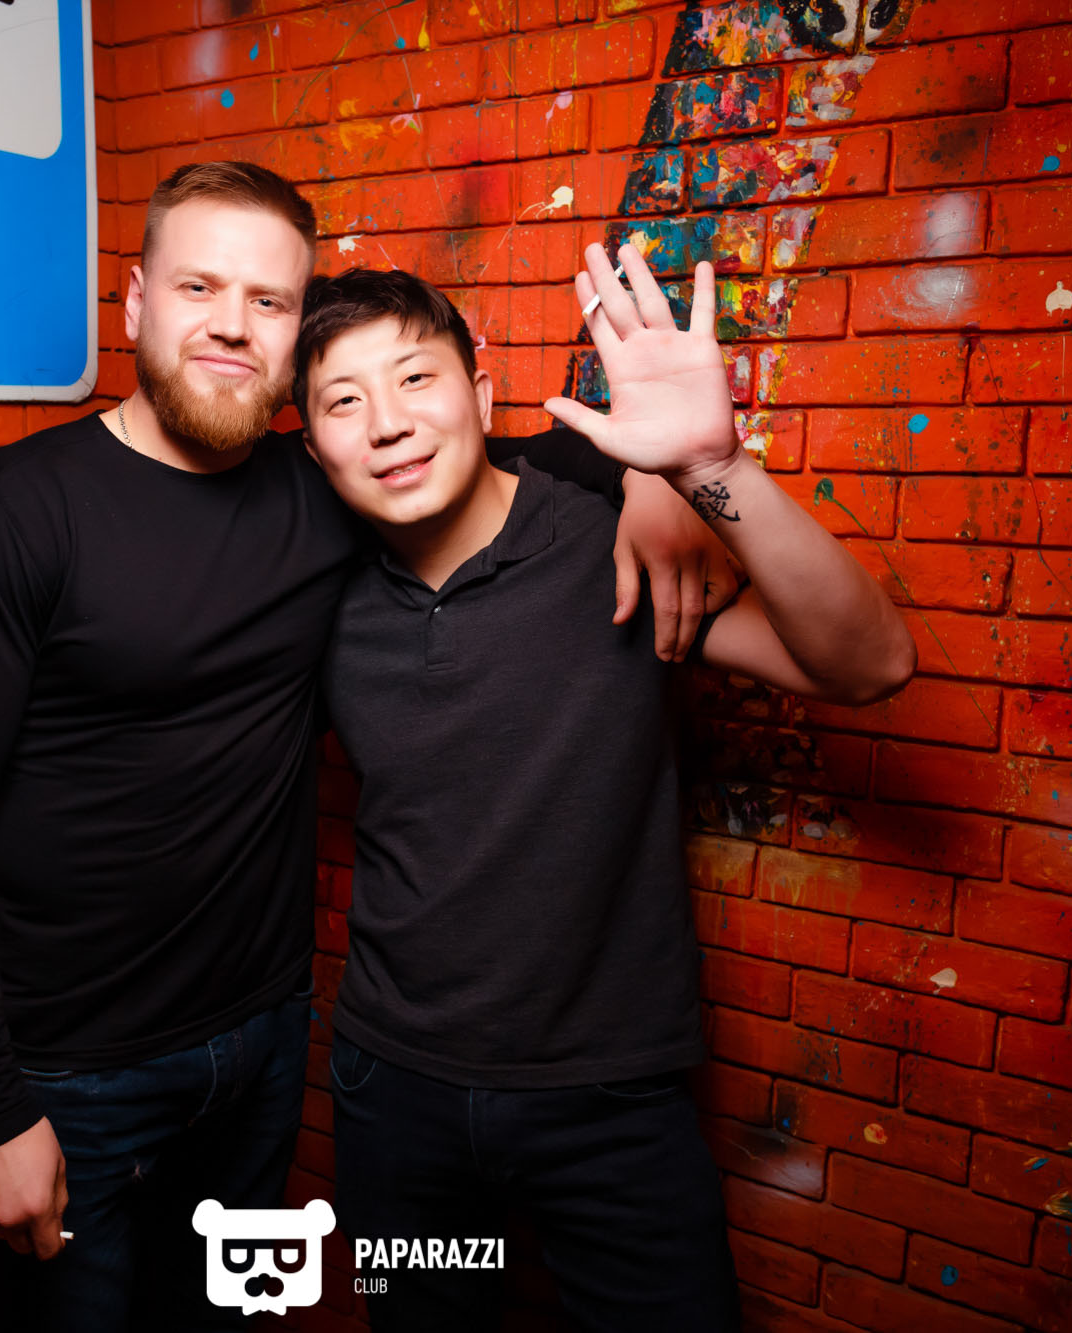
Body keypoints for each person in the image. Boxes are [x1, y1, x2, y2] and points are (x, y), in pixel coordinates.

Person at [0, 161, 732, 1331]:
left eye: (266, 300)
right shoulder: (15, 510)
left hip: (259, 1050)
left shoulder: (321, 485)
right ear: (135, 303)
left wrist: (659, 476)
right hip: (67, 1077)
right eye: (197, 288)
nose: (231, 324)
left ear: (290, 343)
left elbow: (486, 456)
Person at [297, 255, 916, 1331]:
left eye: (414, 379)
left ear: (481, 392)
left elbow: (869, 666)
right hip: (393, 1090)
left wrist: (709, 468)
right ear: (311, 447)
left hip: (611, 1099)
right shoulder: (313, 589)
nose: (387, 423)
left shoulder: (610, 539)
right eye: (343, 402)